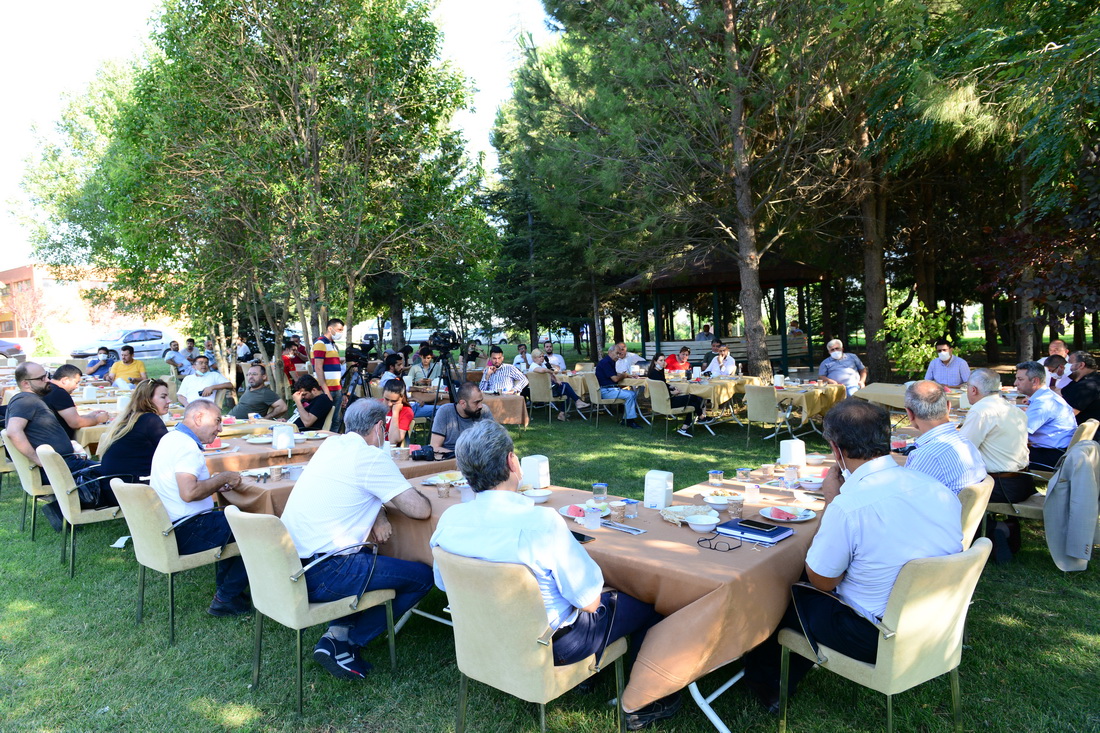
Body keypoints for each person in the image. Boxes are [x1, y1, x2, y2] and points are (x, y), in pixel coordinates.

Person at [430, 420, 677, 730]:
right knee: (653, 605)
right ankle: (648, 701)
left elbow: (443, 584)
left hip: (481, 636)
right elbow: (588, 601)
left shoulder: (450, 519)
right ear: (512, 462)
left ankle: (590, 680)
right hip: (552, 645)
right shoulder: (541, 522)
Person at [743, 399, 962, 712]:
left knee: (783, 587)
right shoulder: (937, 488)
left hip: (874, 635)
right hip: (937, 620)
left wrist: (833, 502)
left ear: (836, 449)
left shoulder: (851, 506)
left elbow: (822, 583)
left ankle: (769, 681)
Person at [281, 399, 433, 680]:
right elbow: (420, 510)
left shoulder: (330, 445)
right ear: (379, 427)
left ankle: (339, 632)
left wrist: (379, 513)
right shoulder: (371, 457)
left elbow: (347, 489)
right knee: (424, 577)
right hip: (327, 570)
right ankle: (348, 641)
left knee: (366, 559)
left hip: (292, 565)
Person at [149, 400, 250, 616]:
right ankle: (226, 597)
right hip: (186, 530)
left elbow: (186, 489)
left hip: (168, 528)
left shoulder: (170, 438)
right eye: (217, 421)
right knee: (256, 528)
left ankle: (229, 592)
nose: (220, 428)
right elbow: (189, 493)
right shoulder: (187, 447)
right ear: (198, 418)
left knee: (235, 520)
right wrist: (222, 477)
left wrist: (212, 482)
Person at [6, 362, 111, 531]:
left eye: (46, 375)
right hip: (63, 466)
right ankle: (60, 509)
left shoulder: (31, 400)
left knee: (112, 470)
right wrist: (37, 459)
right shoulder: (25, 400)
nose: (48, 380)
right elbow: (13, 431)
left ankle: (63, 507)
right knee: (118, 472)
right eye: (41, 378)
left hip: (66, 462)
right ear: (26, 383)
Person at [959, 368, 1033, 504]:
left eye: (967, 387)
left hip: (1001, 485)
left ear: (973, 390)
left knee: (944, 488)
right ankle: (1004, 524)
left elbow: (961, 450)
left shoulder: (981, 410)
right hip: (1024, 481)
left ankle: (991, 526)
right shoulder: (1012, 408)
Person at [902, 381, 987, 494]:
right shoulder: (967, 444)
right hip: (963, 510)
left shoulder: (927, 456)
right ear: (948, 406)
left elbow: (906, 500)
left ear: (910, 414)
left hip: (939, 511)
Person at [98, 378, 171, 482]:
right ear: (147, 399)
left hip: (113, 487)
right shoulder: (150, 420)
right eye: (163, 397)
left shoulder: (130, 418)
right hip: (131, 489)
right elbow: (171, 452)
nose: (169, 400)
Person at [1014, 360, 1077, 470]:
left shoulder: (1043, 403)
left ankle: (1011, 486)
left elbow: (1019, 433)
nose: (1015, 383)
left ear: (1035, 381)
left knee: (997, 455)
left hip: (1052, 456)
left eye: (1020, 379)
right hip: (1058, 452)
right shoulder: (1046, 397)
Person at [43, 364, 111, 440]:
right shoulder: (59, 393)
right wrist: (98, 419)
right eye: (76, 382)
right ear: (65, 380)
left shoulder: (47, 388)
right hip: (58, 442)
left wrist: (90, 416)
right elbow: (75, 423)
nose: (77, 386)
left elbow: (67, 417)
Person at [647, 353, 708, 437]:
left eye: (664, 360)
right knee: (695, 397)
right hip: (668, 402)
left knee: (694, 403)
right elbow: (661, 389)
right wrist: (673, 392)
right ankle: (701, 417)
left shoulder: (654, 372)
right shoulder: (656, 373)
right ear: (655, 362)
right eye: (660, 360)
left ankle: (684, 428)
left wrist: (670, 386)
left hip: (658, 403)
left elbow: (662, 385)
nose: (663, 362)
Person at [430, 382, 496, 456]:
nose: (480, 406)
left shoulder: (484, 411)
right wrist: (462, 457)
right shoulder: (445, 412)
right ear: (462, 403)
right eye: (476, 402)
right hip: (451, 457)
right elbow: (435, 446)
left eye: (481, 401)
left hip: (479, 458)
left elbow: (494, 441)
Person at [529, 349, 589, 421]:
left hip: (548, 388)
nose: (542, 358)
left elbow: (550, 375)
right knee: (566, 386)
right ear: (534, 358)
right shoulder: (533, 366)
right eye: (540, 357)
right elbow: (543, 370)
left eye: (542, 356)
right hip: (543, 392)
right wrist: (551, 371)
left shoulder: (542, 365)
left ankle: (563, 413)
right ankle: (576, 402)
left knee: (565, 390)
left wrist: (556, 379)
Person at [595, 344, 642, 429]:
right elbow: (615, 379)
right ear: (610, 352)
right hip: (606, 391)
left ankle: (626, 419)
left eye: (620, 353)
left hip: (607, 389)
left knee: (631, 394)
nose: (618, 356)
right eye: (617, 353)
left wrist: (627, 375)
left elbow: (614, 375)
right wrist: (624, 375)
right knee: (631, 394)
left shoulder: (608, 361)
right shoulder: (606, 363)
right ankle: (630, 421)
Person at [1060, 351, 1100, 425]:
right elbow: (1060, 393)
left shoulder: (1086, 386)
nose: (1065, 366)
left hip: (1084, 434)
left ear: (1081, 365)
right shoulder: (1080, 382)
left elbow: (1066, 415)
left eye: (1069, 363)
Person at [312, 318, 345, 403]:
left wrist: (341, 391)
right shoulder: (320, 343)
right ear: (330, 328)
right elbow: (318, 368)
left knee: (336, 416)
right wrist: (326, 391)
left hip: (336, 388)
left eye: (342, 330)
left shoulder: (332, 345)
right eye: (339, 330)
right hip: (327, 389)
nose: (340, 333)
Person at [380, 380, 415, 445]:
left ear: (402, 398)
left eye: (394, 401)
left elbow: (393, 440)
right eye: (386, 399)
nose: (389, 404)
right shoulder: (375, 405)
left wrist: (395, 413)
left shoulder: (406, 411)